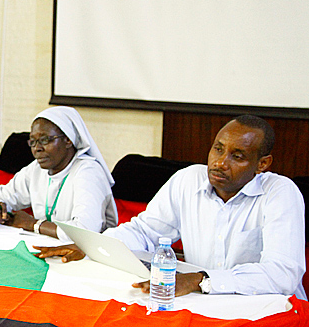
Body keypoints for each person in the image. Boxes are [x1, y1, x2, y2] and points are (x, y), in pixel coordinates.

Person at [34, 115, 306, 300]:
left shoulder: (280, 194)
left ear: (262, 164)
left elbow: (281, 273)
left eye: (237, 156)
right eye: (217, 149)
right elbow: (144, 230)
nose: (220, 163)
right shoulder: (188, 179)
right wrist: (93, 245)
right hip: (205, 302)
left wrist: (200, 280)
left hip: (268, 308)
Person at [0, 106, 118, 240]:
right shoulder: (36, 168)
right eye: (33, 142)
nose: (37, 149)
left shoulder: (88, 172)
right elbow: (1, 197)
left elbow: (84, 232)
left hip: (86, 255)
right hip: (45, 246)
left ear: (68, 139)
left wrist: (32, 224)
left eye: (45, 140)